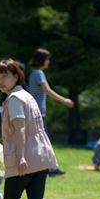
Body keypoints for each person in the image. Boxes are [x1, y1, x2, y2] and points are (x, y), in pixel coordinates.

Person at [0, 58, 63, 199]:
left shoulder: (14, 99)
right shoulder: (27, 95)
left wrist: (21, 157)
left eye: (5, 75)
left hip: (25, 158)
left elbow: (21, 128)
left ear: (16, 76)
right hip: (41, 156)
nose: (1, 81)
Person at [27, 48, 74, 176]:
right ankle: (51, 169)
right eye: (47, 59)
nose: (48, 62)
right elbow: (47, 90)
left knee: (39, 142)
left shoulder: (34, 73)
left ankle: (45, 168)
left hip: (35, 113)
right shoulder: (38, 74)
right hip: (38, 114)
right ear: (42, 60)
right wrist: (64, 100)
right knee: (44, 142)